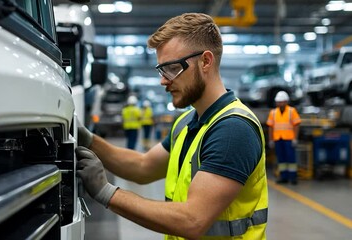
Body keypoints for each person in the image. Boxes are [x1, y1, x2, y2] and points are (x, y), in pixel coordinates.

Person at [76, 13, 268, 240]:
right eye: (161, 70)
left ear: (206, 61)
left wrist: (106, 192)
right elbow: (143, 166)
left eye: (172, 68)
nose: (163, 81)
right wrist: (87, 139)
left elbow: (192, 220)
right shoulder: (186, 122)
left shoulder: (233, 130)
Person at [266, 91, 301, 185]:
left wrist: (295, 138)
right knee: (281, 159)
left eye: (281, 101)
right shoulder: (273, 113)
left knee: (291, 159)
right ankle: (283, 176)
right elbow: (270, 127)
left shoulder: (291, 111)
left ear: (286, 102)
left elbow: (296, 125)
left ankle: (293, 177)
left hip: (289, 139)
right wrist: (271, 140)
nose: (279, 103)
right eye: (278, 102)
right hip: (278, 139)